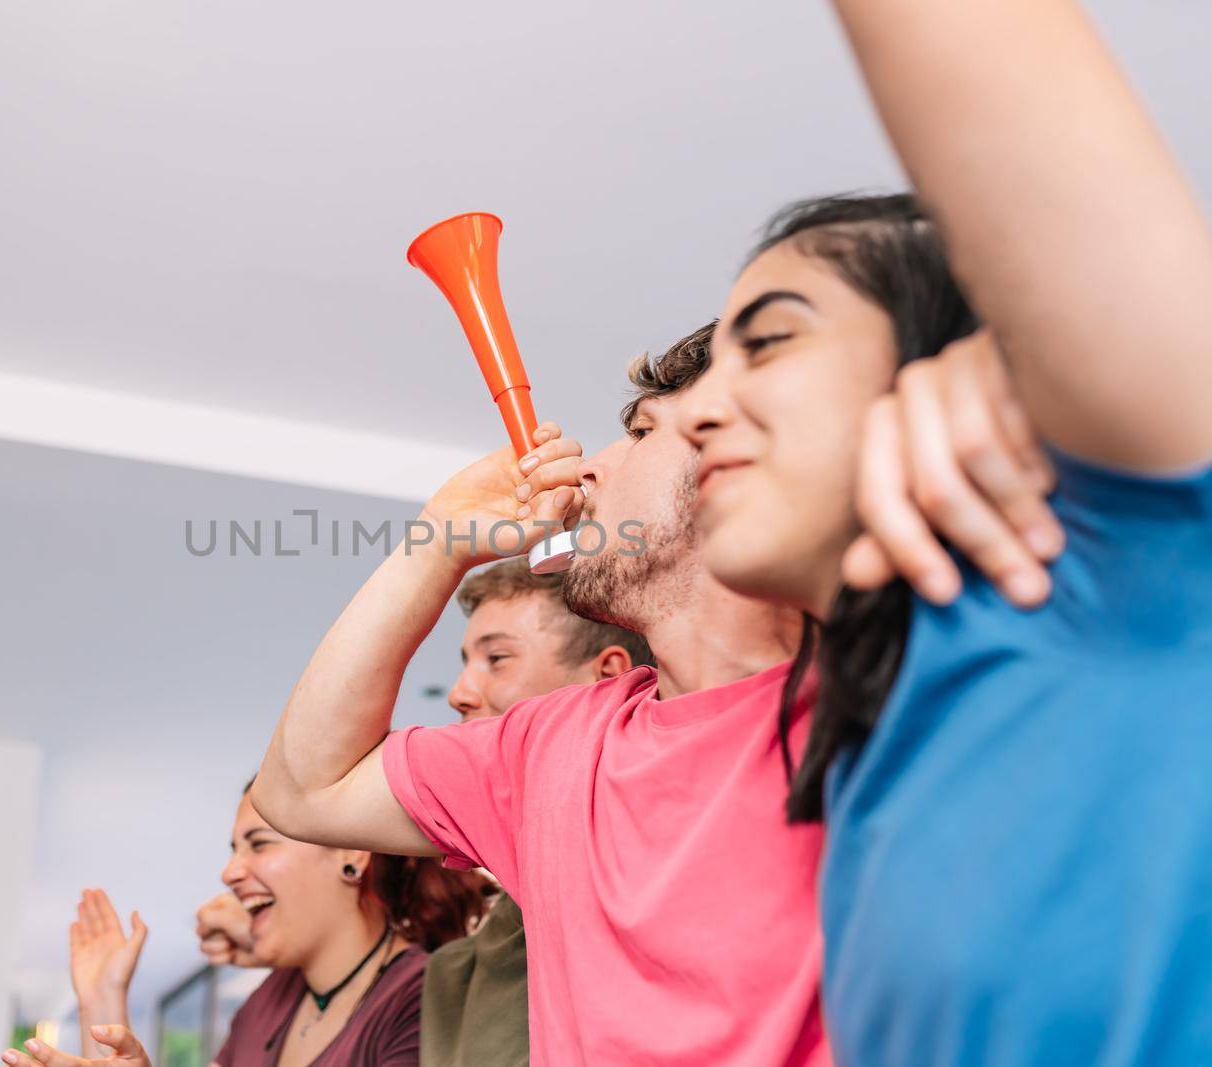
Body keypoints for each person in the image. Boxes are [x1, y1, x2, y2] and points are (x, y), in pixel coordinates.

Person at [674, 1, 1212, 1063]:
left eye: (768, 341)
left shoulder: (1114, 563)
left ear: (947, 354)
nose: (697, 407)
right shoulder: (868, 750)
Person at [251, 321, 837, 1066]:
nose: (587, 469)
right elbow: (302, 788)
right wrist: (436, 543)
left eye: (642, 429)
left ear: (735, 459)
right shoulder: (550, 747)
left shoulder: (885, 701)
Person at [201, 558, 652, 1067]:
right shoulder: (464, 968)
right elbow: (296, 791)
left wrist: (444, 540)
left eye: (497, 658)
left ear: (605, 677)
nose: (458, 694)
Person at [3, 784, 489, 1067]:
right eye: (234, 850)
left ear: (350, 852)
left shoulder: (422, 997)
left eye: (258, 844)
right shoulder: (269, 1001)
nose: (230, 872)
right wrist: (103, 998)